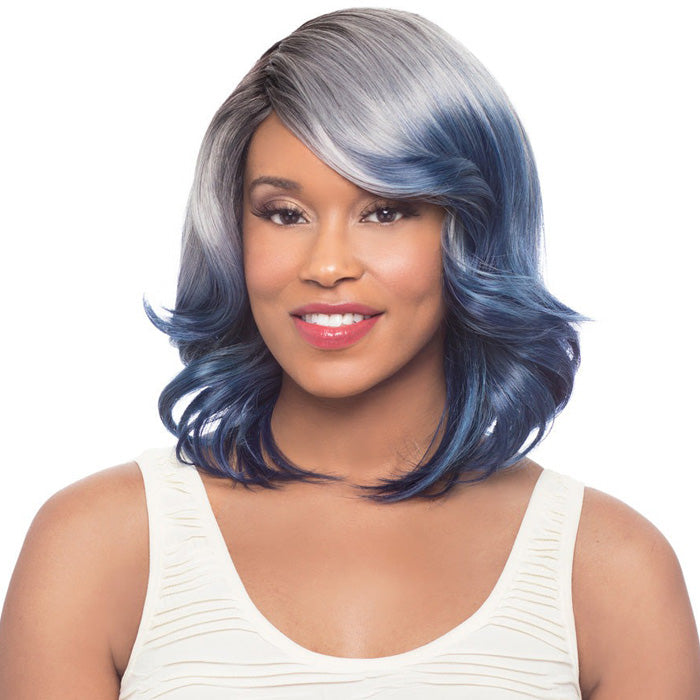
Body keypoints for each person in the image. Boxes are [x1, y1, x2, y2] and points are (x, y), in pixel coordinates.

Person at [1, 7, 698, 698]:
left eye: (385, 211)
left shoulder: (612, 573)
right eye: (286, 214)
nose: (328, 265)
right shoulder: (95, 548)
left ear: (473, 230)